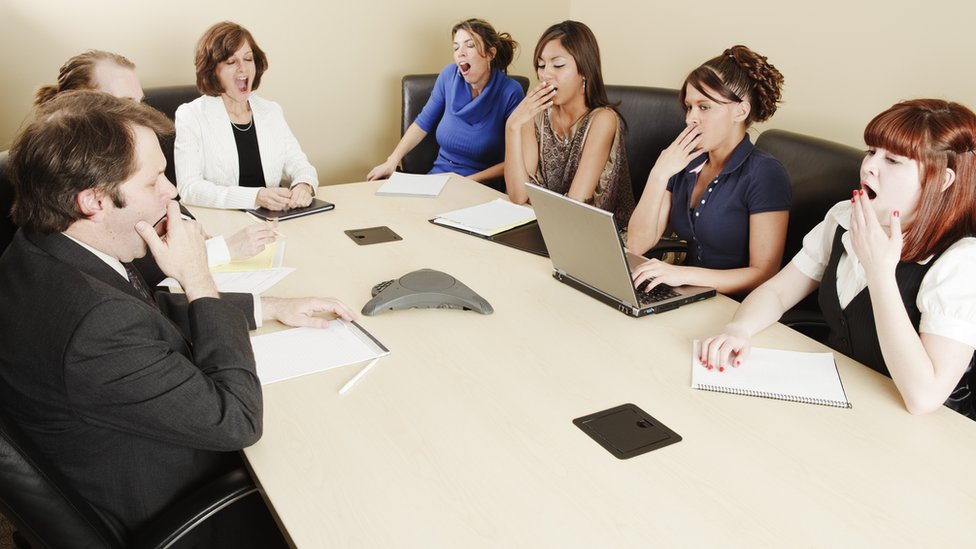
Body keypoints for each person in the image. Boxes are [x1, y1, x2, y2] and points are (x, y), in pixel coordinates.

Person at [0, 90, 356, 541]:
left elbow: (139, 311)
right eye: (154, 182)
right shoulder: (95, 325)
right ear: (94, 201)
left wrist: (267, 307)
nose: (171, 192)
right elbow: (237, 422)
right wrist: (198, 277)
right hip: (176, 502)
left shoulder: (40, 248)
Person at [701, 99, 976, 419]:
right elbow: (778, 291)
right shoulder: (845, 216)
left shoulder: (961, 262)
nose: (870, 167)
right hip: (842, 397)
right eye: (871, 152)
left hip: (919, 430)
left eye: (893, 161)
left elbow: (923, 398)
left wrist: (880, 273)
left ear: (942, 181)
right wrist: (740, 328)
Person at [35, 49, 277, 268]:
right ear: (82, 108)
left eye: (140, 103)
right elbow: (130, 263)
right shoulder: (66, 182)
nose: (140, 116)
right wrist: (223, 250)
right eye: (124, 104)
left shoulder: (136, 149)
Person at [627, 46, 790, 298]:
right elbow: (637, 244)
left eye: (704, 107)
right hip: (688, 294)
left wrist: (684, 274)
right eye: (688, 107)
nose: (690, 119)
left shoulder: (764, 173)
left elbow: (764, 274)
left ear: (740, 111)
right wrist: (659, 173)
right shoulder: (684, 161)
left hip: (735, 307)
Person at [366, 18, 524, 191]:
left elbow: (515, 159)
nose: (460, 53)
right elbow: (422, 123)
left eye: (469, 45)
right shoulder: (448, 76)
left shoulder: (510, 92)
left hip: (480, 187)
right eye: (456, 47)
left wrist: (466, 181)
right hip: (438, 180)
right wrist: (392, 161)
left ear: (490, 54)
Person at [176, 21, 318, 211]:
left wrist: (303, 185)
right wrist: (256, 197)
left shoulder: (271, 111)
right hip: (223, 221)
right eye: (231, 62)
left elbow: (300, 165)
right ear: (213, 71)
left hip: (273, 219)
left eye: (248, 58)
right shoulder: (191, 115)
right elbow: (189, 188)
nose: (243, 69)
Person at [504, 20, 634, 225]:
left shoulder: (603, 120)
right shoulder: (535, 113)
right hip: (544, 225)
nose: (545, 74)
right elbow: (518, 195)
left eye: (558, 65)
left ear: (584, 71)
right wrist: (512, 127)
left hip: (595, 235)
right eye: (541, 65)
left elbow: (573, 206)